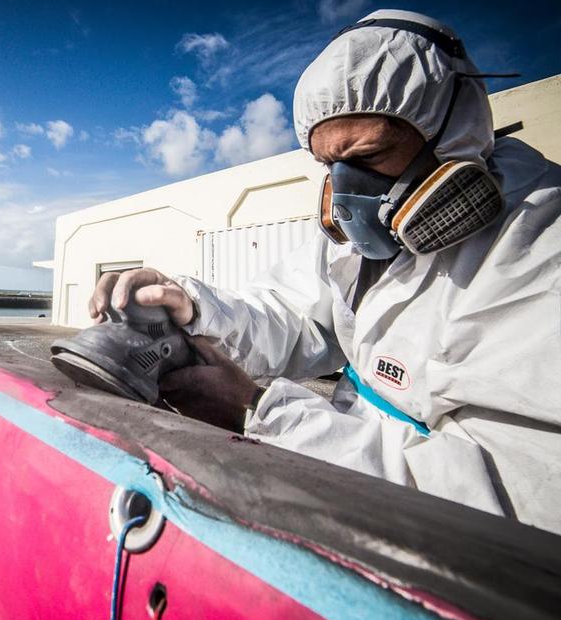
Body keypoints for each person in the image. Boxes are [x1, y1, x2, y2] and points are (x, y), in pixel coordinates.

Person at [91, 10, 561, 534]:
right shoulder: (357, 247)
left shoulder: (541, 253)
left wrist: (260, 414)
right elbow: (298, 317)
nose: (347, 192)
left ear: (456, 135)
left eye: (372, 155)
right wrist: (194, 306)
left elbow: (513, 498)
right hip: (343, 495)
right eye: (329, 165)